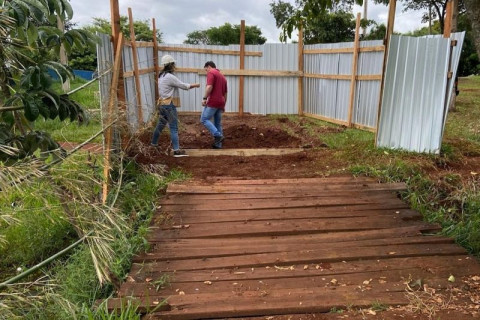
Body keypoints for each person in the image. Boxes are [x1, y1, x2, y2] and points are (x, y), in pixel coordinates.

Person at [151, 55, 200, 157]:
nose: (175, 66)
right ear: (171, 65)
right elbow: (184, 86)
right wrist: (196, 85)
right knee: (174, 128)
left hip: (162, 105)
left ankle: (153, 144)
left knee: (160, 125)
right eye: (173, 64)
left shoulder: (161, 76)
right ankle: (176, 151)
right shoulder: (170, 77)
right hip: (169, 106)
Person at [201, 61, 228, 149]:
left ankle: (218, 135)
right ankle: (218, 145)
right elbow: (225, 93)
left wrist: (204, 98)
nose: (206, 72)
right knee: (217, 123)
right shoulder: (223, 77)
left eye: (206, 70)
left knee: (204, 119)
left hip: (213, 101)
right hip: (221, 102)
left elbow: (209, 87)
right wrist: (224, 105)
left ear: (209, 67)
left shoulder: (211, 72)